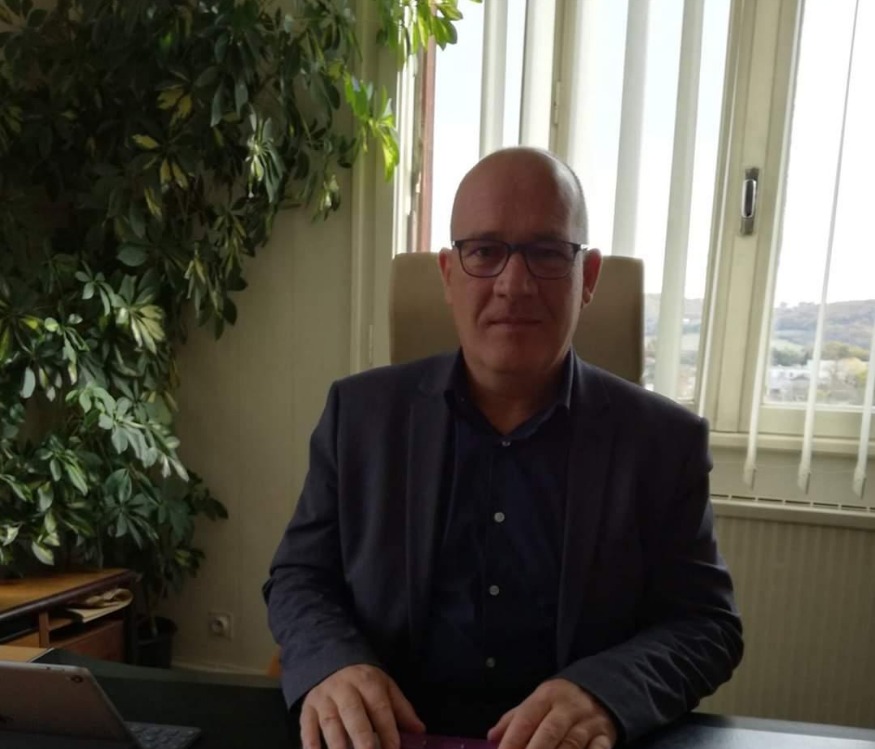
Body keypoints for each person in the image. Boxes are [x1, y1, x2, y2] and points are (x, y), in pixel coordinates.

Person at [264, 147, 743, 749]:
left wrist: (605, 693)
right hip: (392, 738)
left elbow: (705, 625)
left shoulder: (663, 443)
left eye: (547, 253)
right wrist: (332, 663)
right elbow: (300, 575)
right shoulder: (359, 417)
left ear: (589, 277)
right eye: (485, 252)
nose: (514, 285)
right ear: (448, 274)